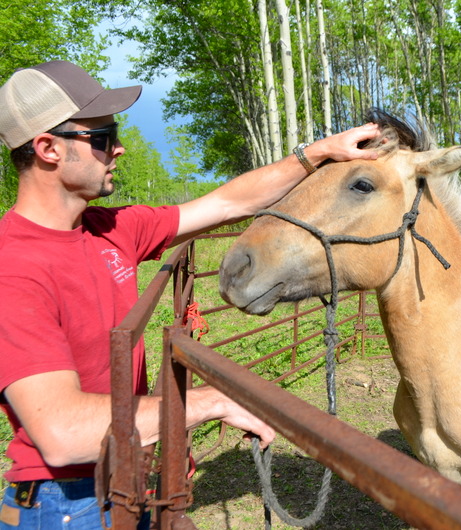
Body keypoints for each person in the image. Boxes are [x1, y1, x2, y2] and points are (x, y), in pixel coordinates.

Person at [0, 60, 380, 529]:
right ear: (47, 148)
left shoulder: (110, 229)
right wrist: (212, 401)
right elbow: (62, 432)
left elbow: (229, 203)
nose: (117, 148)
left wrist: (317, 154)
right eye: (101, 138)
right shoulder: (12, 268)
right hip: (66, 505)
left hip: (123, 482)